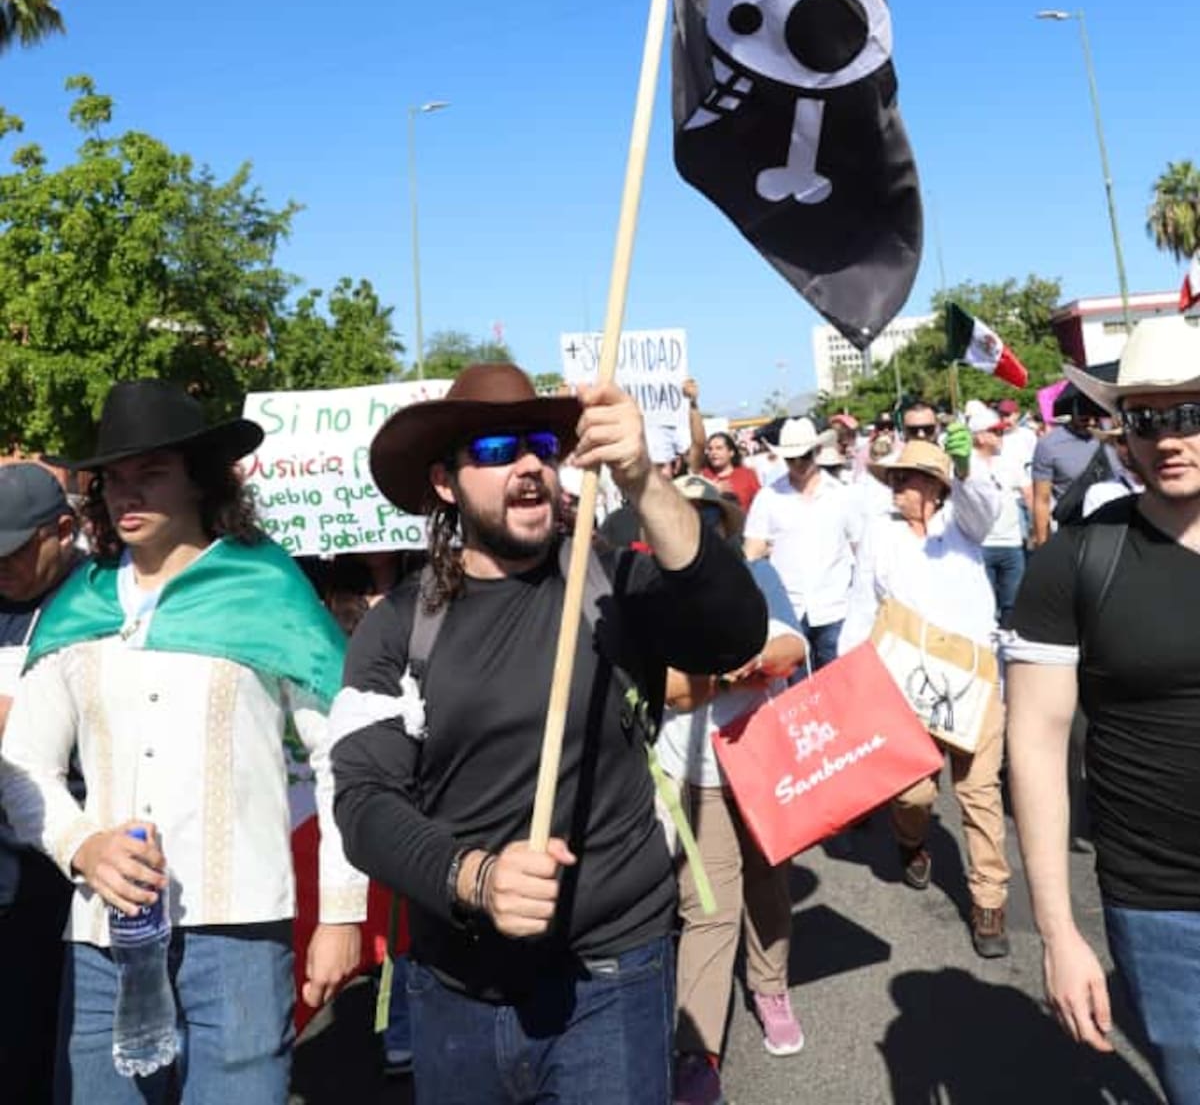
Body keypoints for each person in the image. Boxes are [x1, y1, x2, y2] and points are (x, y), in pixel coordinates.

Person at [329, 363, 767, 1105]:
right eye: (497, 450)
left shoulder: (610, 585)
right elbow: (363, 801)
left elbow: (734, 632)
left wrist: (642, 479)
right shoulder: (398, 626)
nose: (529, 464)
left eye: (540, 444)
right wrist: (474, 878)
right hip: (455, 990)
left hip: (612, 978)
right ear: (445, 483)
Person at [0, 380, 366, 1103]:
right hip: (101, 941)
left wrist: (342, 912)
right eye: (114, 479)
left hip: (239, 938)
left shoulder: (267, 591)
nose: (127, 494)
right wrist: (83, 845)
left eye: (152, 472)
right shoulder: (79, 606)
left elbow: (345, 758)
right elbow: (22, 767)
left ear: (200, 479)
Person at [1006, 318, 1200, 1103]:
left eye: (1189, 413)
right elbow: (1036, 745)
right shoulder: (1076, 560)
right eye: (1146, 418)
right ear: (1122, 431)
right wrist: (1057, 932)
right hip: (1164, 910)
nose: (1169, 437)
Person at [657, 478, 808, 1105]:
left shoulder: (757, 575)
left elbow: (793, 645)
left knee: (768, 884)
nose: (695, 527)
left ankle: (770, 988)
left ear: (724, 526)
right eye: (683, 515)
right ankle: (698, 1049)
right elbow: (668, 688)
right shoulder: (652, 590)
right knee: (708, 907)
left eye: (707, 517)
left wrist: (760, 662)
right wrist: (726, 676)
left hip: (764, 762)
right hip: (694, 771)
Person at [839, 432, 1010, 958]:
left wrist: (967, 466)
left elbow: (985, 506)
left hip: (975, 682)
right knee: (912, 793)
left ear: (935, 487)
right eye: (893, 477)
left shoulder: (962, 524)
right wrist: (851, 676)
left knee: (980, 794)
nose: (896, 485)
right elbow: (862, 605)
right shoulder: (880, 532)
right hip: (908, 685)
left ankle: (989, 901)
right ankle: (910, 839)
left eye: (907, 478)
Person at [0, 463, 85, 1101]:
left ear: (61, 529)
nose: (1, 566)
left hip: (57, 872)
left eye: (15, 550)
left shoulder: (96, 600)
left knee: (42, 1050)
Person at [743, 418, 855, 667]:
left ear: (817, 451)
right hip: (788, 609)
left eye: (804, 456)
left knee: (838, 681)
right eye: (791, 459)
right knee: (796, 687)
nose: (798, 464)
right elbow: (752, 551)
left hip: (835, 607)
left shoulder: (842, 495)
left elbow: (861, 549)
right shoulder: (768, 497)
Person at [963, 401, 1027, 629]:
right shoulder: (965, 466)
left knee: (1013, 606)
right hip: (979, 546)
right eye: (996, 432)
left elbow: (1028, 493)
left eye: (1002, 431)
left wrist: (1033, 532)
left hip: (1012, 544)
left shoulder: (1009, 461)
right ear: (980, 437)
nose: (1001, 436)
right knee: (984, 607)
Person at [1030, 393, 1117, 544]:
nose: (1091, 423)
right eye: (1084, 419)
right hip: (1073, 530)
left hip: (1115, 526)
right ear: (1071, 413)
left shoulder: (1115, 436)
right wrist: (1042, 544)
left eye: (1096, 419)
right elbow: (1041, 500)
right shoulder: (1049, 445)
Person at [701, 432, 760, 512]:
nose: (713, 453)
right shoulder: (703, 476)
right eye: (710, 449)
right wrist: (711, 492)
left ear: (731, 452)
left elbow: (761, 503)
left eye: (719, 448)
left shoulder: (747, 475)